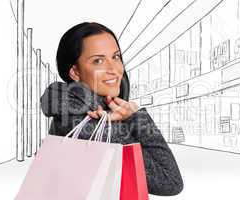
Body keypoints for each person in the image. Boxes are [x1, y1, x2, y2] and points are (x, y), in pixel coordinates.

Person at [40, 22, 184, 196]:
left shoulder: (70, 107)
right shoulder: (93, 121)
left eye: (116, 57)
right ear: (75, 72)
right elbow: (170, 181)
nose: (114, 70)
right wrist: (136, 118)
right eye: (98, 60)